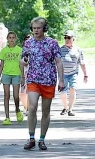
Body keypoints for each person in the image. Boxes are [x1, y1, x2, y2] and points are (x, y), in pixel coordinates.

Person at [20, 17, 65, 150]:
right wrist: (23, 66)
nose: (36, 31)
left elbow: (58, 62)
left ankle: (42, 139)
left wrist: (61, 80)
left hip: (48, 80)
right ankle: (31, 138)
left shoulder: (52, 43)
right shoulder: (28, 43)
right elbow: (22, 59)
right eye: (34, 28)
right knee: (32, 107)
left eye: (39, 28)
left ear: (44, 29)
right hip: (33, 79)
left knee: (46, 111)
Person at [0, 31, 24, 125]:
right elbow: (1, 64)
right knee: (6, 95)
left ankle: (17, 110)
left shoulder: (19, 50)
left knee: (16, 96)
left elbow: (21, 64)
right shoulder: (4, 50)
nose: (11, 39)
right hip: (6, 74)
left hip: (16, 74)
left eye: (13, 38)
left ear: (16, 39)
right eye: (10, 38)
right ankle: (7, 117)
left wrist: (23, 77)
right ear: (7, 39)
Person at [59, 30, 88, 116]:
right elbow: (56, 62)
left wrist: (85, 74)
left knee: (73, 89)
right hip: (63, 74)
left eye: (68, 37)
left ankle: (70, 110)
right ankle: (65, 107)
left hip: (73, 73)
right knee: (63, 92)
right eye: (65, 37)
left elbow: (82, 63)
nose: (66, 39)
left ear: (73, 39)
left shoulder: (78, 50)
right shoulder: (61, 50)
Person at [19, 34, 32, 116]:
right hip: (23, 73)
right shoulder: (21, 51)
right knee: (22, 93)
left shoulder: (36, 49)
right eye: (26, 39)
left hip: (32, 74)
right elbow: (20, 63)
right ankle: (26, 107)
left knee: (30, 92)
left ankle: (28, 109)